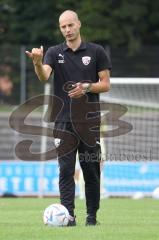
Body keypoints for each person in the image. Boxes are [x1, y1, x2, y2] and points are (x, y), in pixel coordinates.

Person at [26, 10, 111, 226]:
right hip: (63, 121)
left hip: (89, 122)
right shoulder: (54, 52)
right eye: (63, 27)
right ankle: (69, 216)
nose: (67, 30)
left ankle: (92, 217)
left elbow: (106, 84)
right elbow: (44, 75)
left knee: (90, 170)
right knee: (65, 170)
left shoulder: (96, 51)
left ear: (79, 25)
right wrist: (37, 62)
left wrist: (87, 87)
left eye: (70, 25)